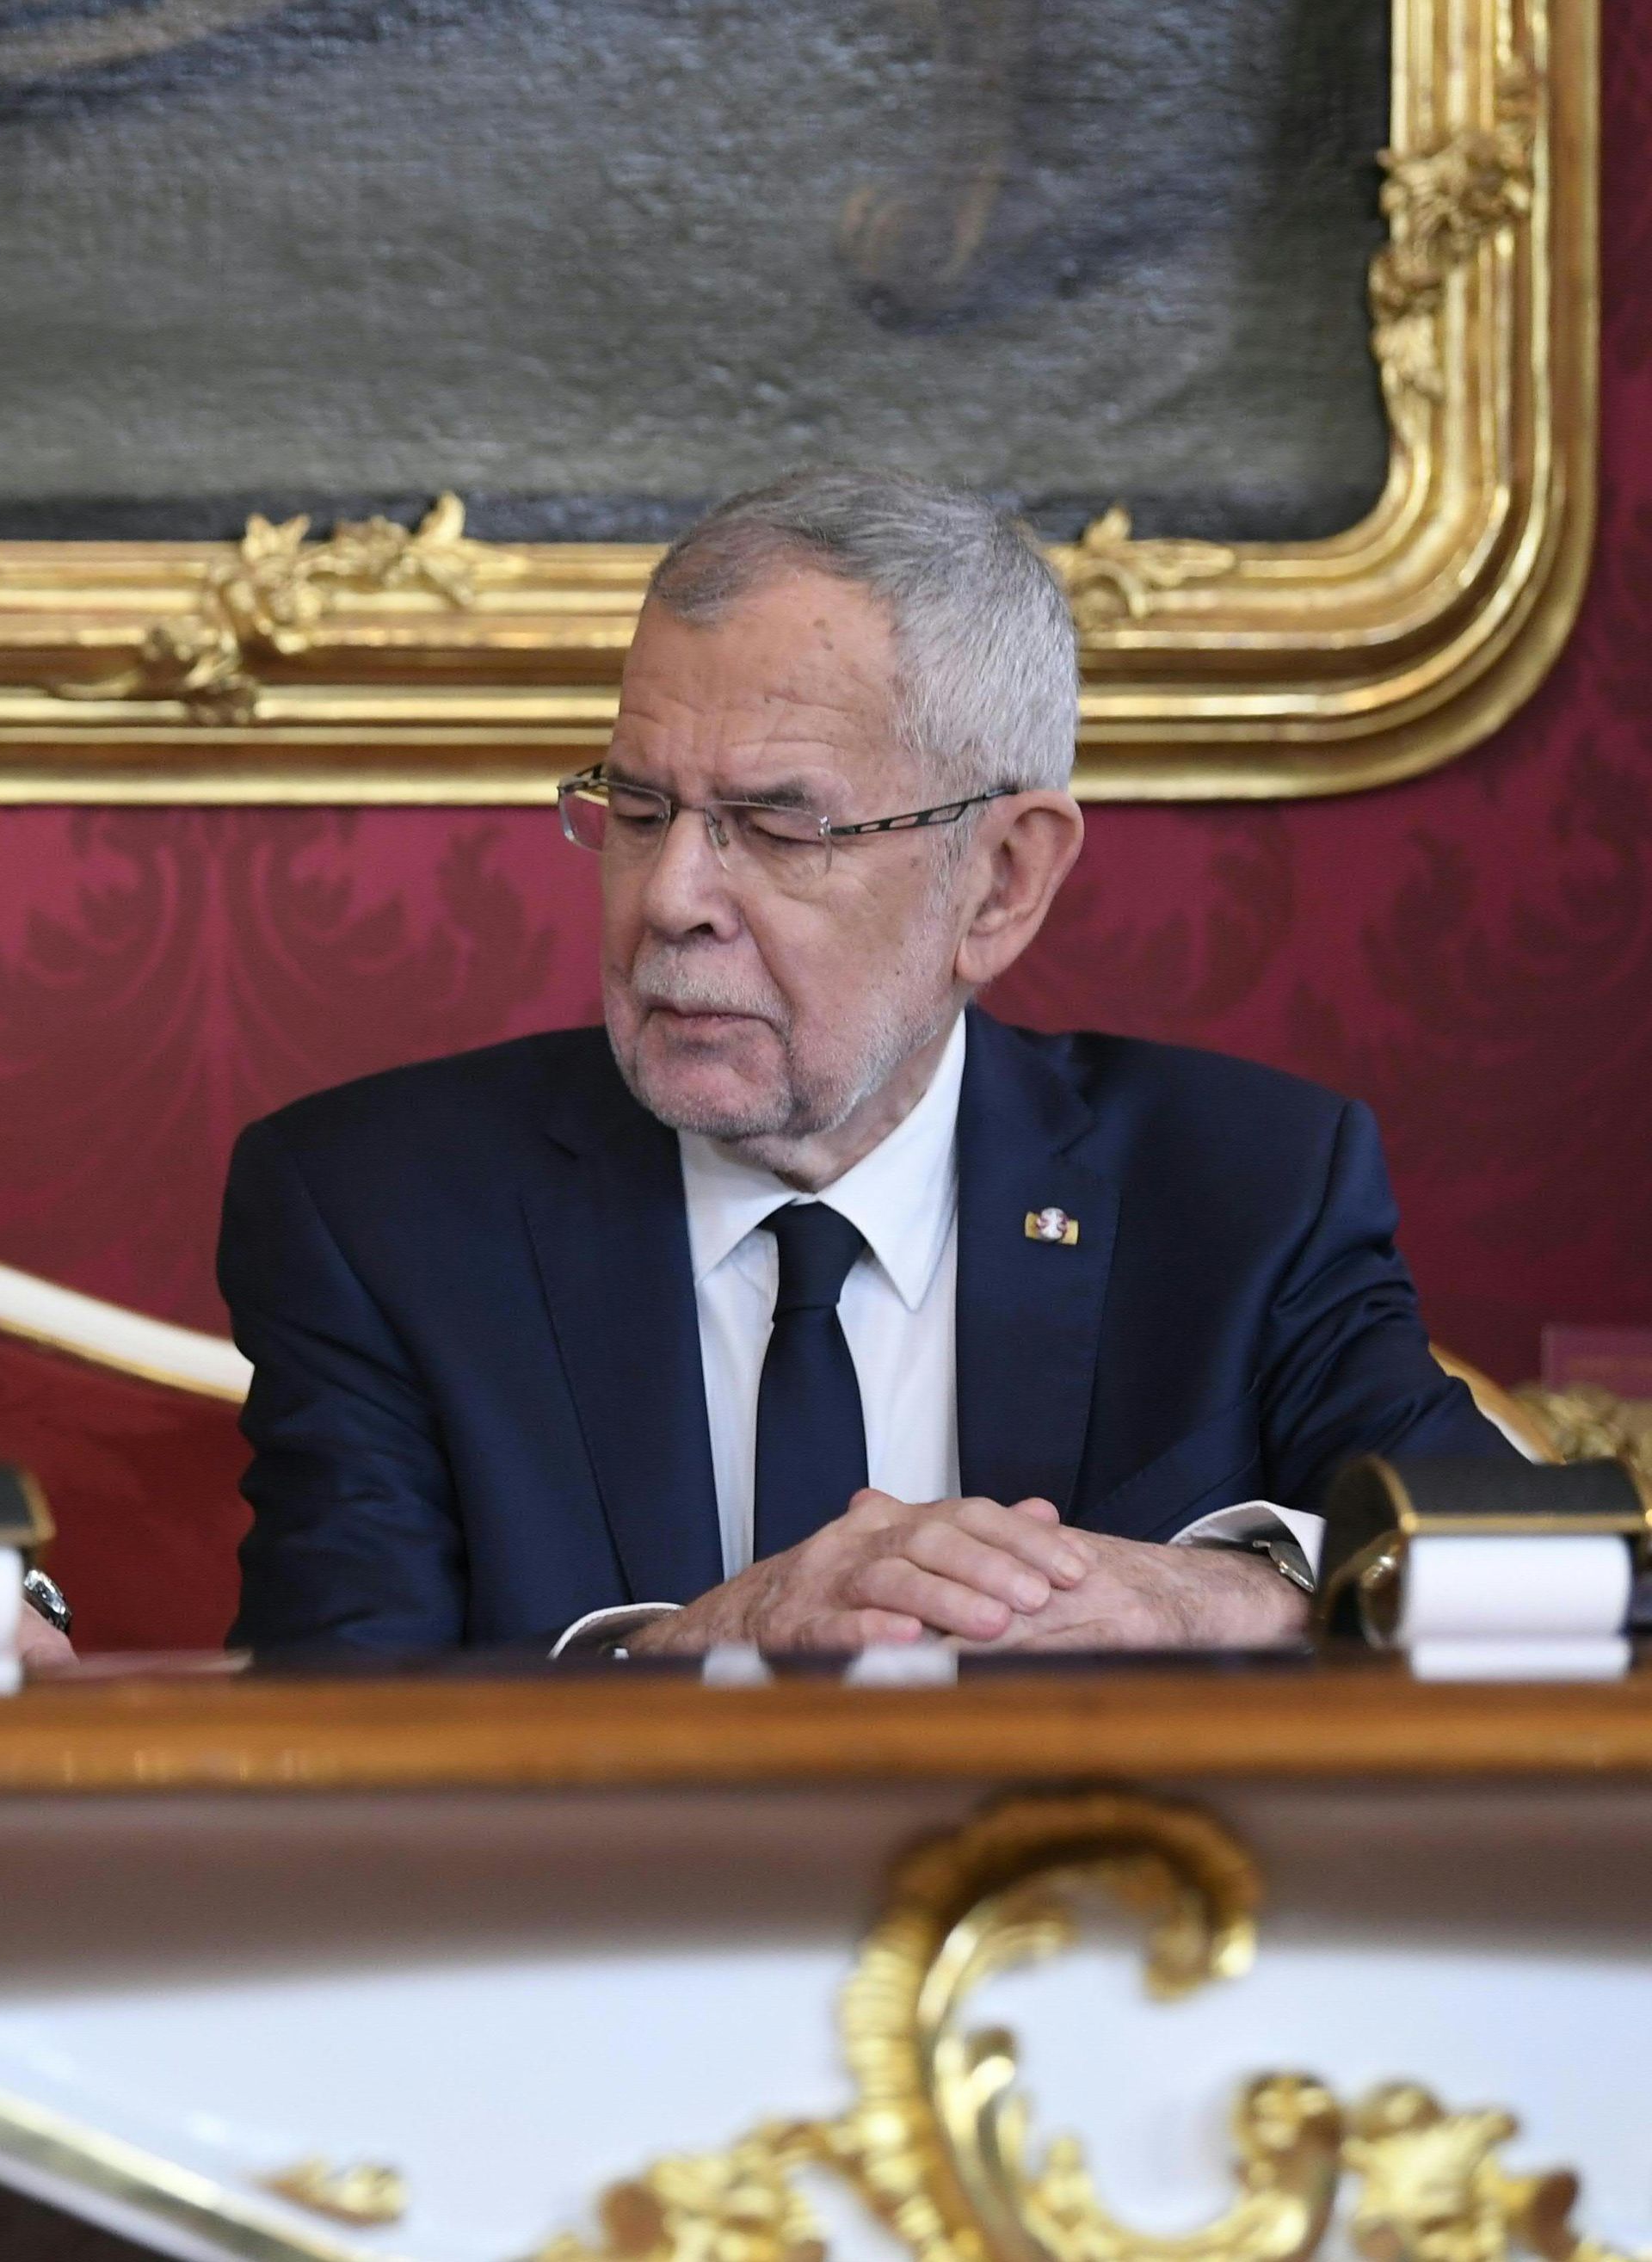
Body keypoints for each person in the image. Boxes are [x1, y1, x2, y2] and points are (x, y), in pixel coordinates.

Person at [225, 468, 1512, 1656]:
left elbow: (1558, 1579)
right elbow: (324, 1725)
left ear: (1001, 883)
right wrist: (697, 1649)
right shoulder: (380, 1216)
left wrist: (1222, 1594)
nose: (672, 895)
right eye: (638, 807)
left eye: (778, 827)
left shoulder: (1246, 1191)